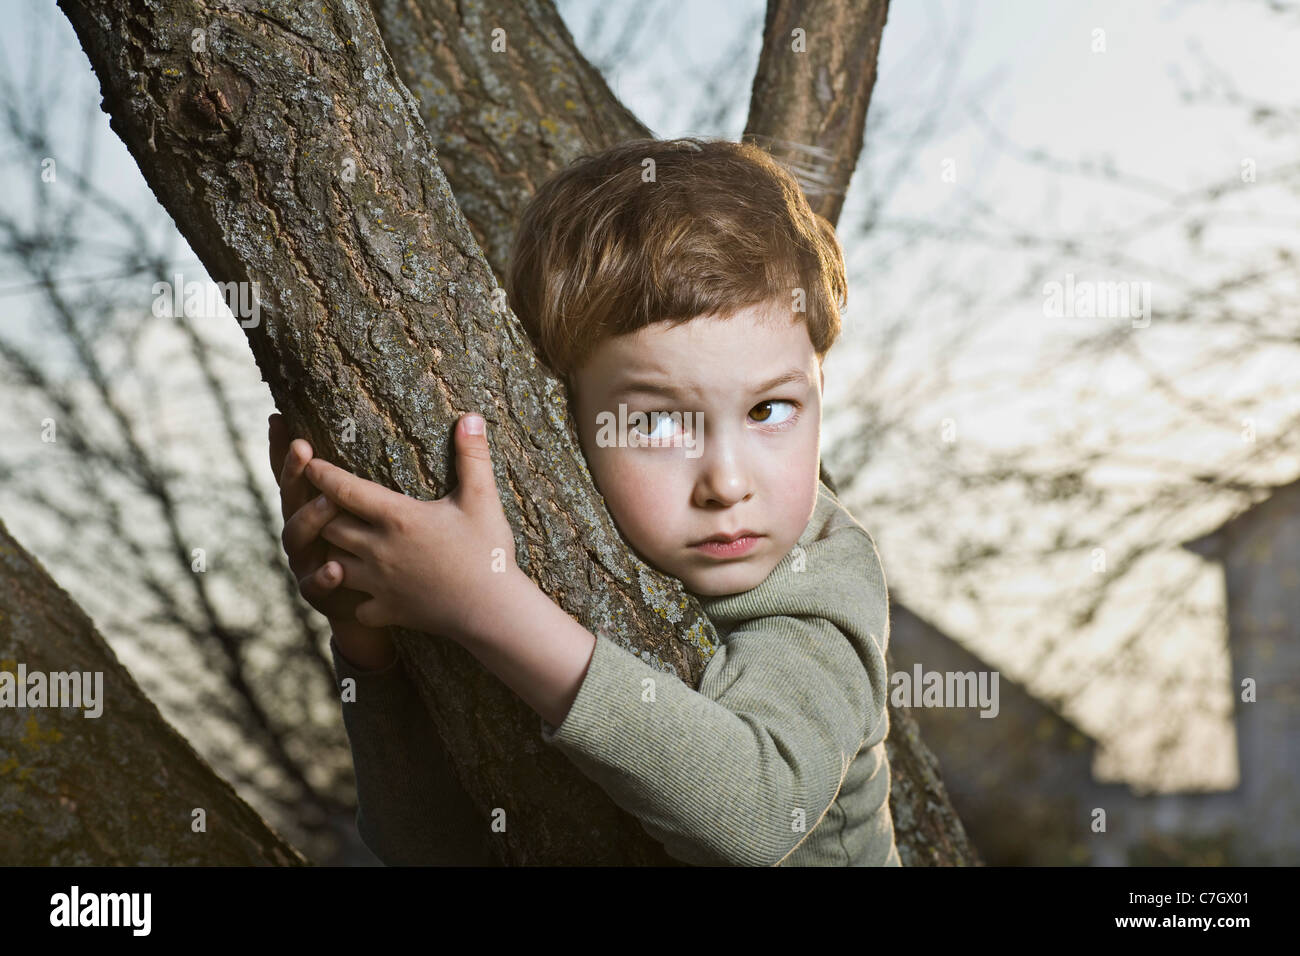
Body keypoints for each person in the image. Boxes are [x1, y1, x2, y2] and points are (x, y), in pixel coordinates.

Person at [269, 137, 899, 866]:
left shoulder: (822, 577)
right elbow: (427, 847)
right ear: (560, 424)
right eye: (659, 423)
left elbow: (758, 814)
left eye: (769, 411)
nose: (727, 483)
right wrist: (366, 644)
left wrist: (489, 602)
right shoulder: (537, 549)